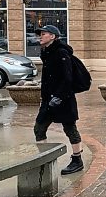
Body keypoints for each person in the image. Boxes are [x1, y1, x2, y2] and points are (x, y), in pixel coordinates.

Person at [33, 25, 84, 174]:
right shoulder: (46, 52)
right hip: (48, 100)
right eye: (40, 34)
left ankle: (77, 160)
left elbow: (67, 78)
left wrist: (59, 96)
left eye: (43, 34)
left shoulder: (61, 53)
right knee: (39, 128)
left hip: (63, 99)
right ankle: (44, 159)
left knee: (70, 129)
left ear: (53, 36)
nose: (40, 36)